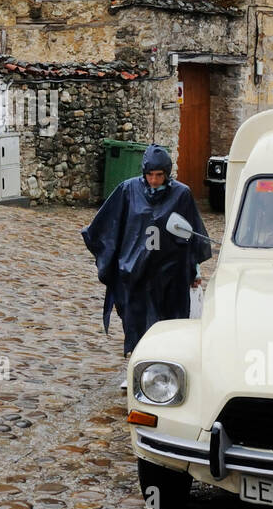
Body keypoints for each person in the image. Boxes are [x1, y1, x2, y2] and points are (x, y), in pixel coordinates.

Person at [82, 145, 212, 388]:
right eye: (150, 174)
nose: (154, 180)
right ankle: (135, 371)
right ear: (144, 173)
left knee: (167, 323)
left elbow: (191, 234)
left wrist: (194, 270)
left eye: (159, 175)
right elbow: (110, 223)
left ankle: (166, 374)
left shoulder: (181, 194)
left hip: (170, 273)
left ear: (167, 174)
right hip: (135, 271)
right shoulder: (129, 190)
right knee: (136, 321)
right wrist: (109, 257)